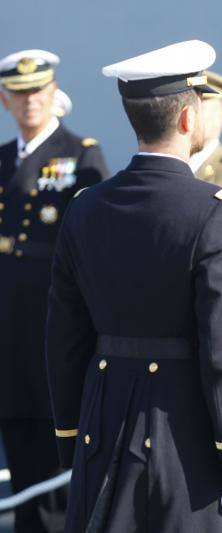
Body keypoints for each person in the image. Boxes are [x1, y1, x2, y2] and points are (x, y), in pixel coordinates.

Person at [45, 40, 222, 531]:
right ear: (187, 119)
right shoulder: (217, 209)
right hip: (185, 434)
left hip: (102, 421)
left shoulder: (85, 206)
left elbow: (64, 337)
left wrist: (71, 436)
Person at [0, 48, 108, 533]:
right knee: (17, 441)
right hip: (6, 327)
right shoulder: (3, 160)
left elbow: (94, 243)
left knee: (53, 448)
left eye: (37, 92)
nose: (29, 102)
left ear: (53, 93)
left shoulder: (79, 154)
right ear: (6, 100)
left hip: (48, 320)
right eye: (19, 94)